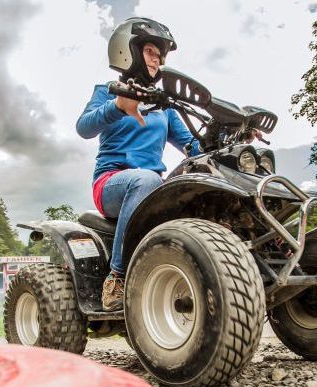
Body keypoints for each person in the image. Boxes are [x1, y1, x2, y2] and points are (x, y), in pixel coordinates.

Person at [76, 17, 200, 311]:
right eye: (149, 52)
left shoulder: (164, 106)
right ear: (128, 52)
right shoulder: (108, 91)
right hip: (112, 183)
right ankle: (116, 278)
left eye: (160, 55)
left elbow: (192, 146)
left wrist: (231, 138)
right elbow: (84, 127)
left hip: (151, 187)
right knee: (146, 179)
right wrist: (118, 106)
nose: (156, 60)